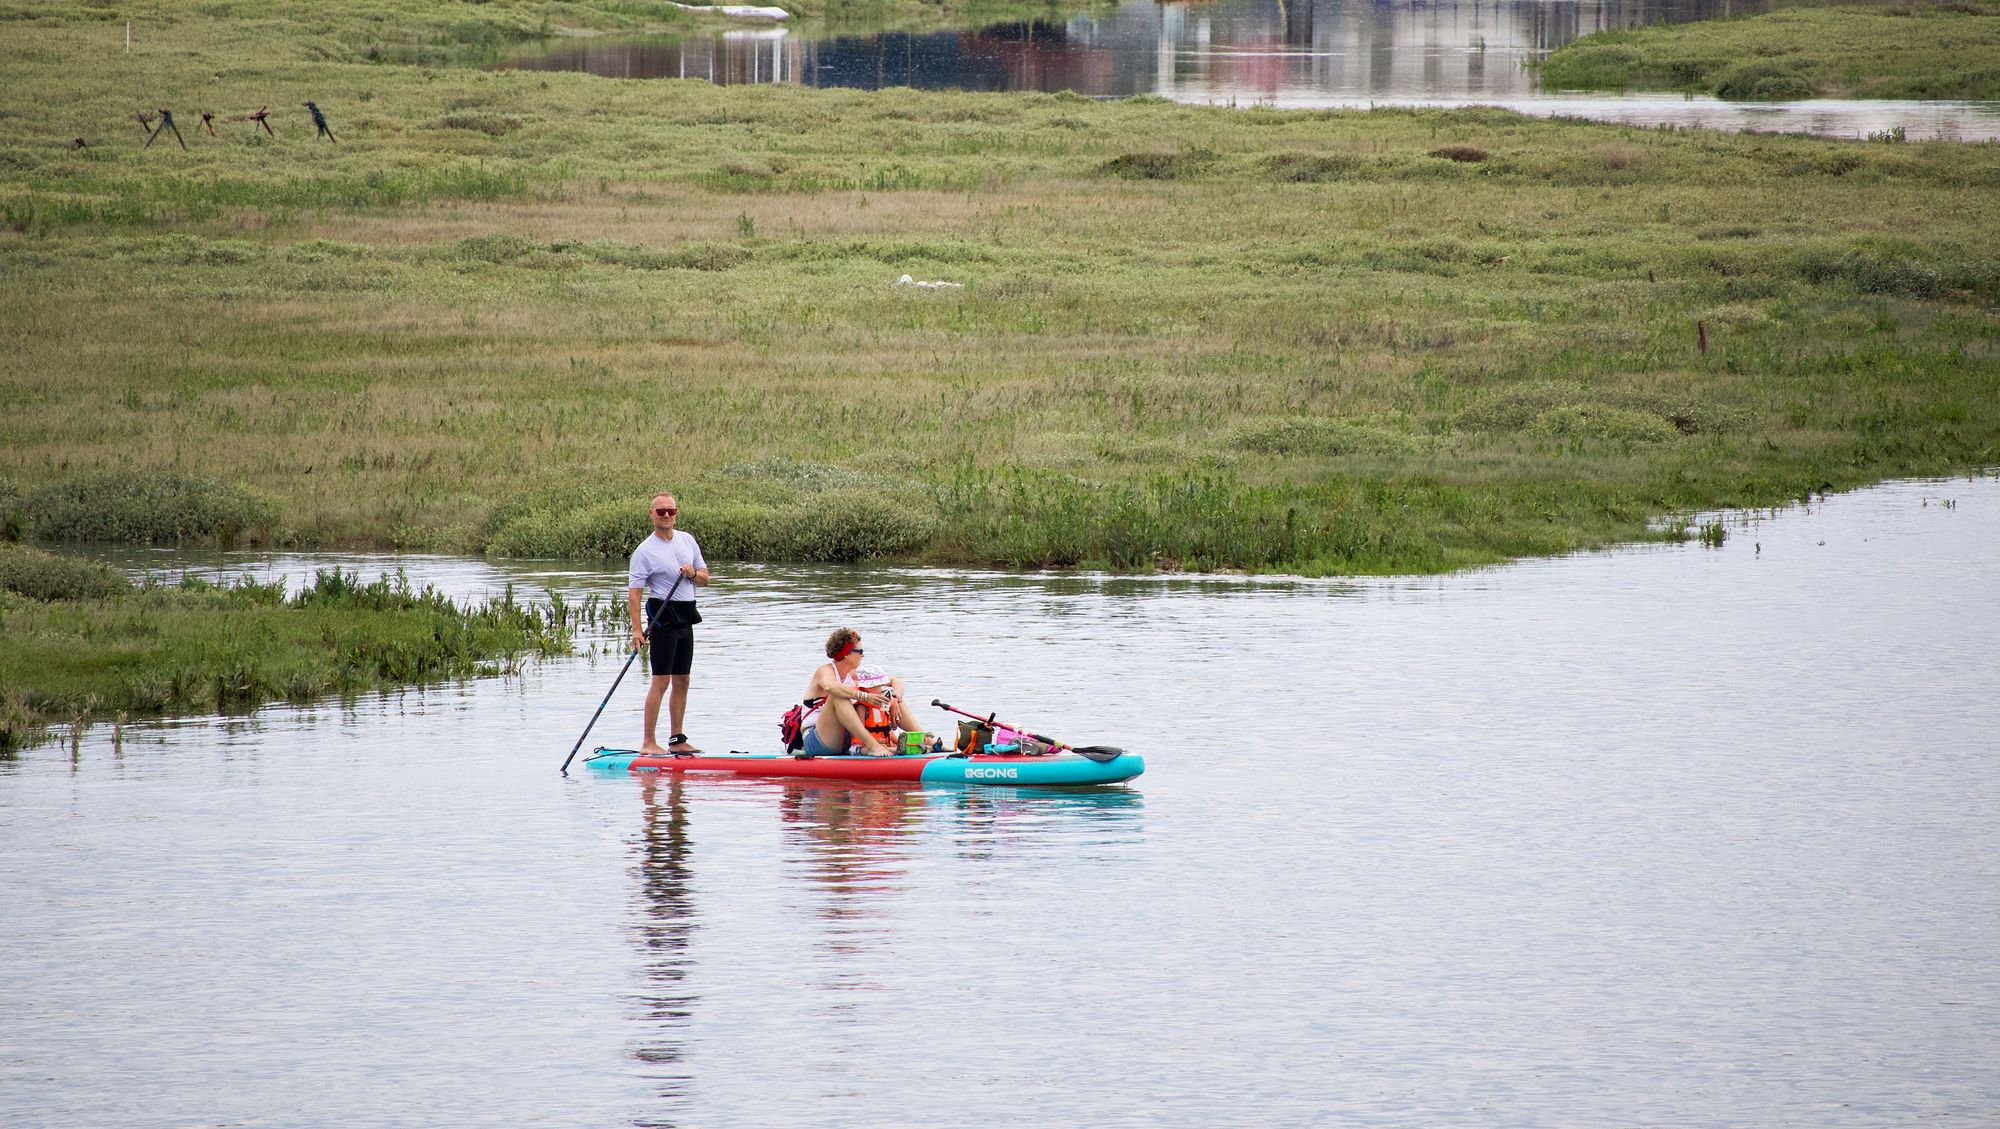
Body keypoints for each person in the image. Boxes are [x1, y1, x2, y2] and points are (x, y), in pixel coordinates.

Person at [628, 491, 709, 756]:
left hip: (686, 616)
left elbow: (705, 578)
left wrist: (693, 573)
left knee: (682, 680)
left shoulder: (687, 540)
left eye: (670, 511)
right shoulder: (644, 551)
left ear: (676, 514)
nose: (666, 516)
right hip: (662, 617)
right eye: (660, 511)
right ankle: (648, 742)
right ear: (651, 515)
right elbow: (635, 593)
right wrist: (637, 630)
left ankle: (677, 739)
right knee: (660, 681)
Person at [800, 628, 932, 758]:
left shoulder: (856, 674)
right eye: (860, 651)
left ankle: (924, 740)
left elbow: (896, 681)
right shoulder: (825, 670)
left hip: (848, 735)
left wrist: (896, 698)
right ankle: (873, 746)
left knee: (887, 695)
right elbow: (830, 687)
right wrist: (864, 696)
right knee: (839, 696)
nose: (863, 655)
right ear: (846, 654)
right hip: (818, 739)